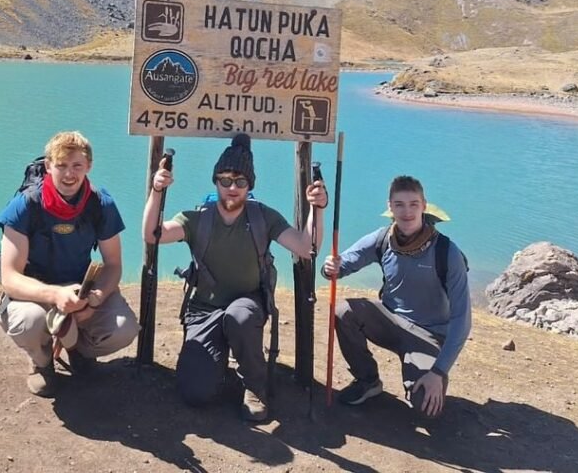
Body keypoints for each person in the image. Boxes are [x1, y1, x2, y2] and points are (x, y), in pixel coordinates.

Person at [143, 132, 327, 423]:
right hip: (204, 309)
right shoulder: (196, 218)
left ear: (249, 185)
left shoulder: (263, 217)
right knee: (195, 394)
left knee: (238, 318)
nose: (232, 188)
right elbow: (152, 235)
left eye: (240, 182)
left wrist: (317, 209)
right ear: (215, 181)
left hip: (247, 304)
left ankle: (255, 386)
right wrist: (156, 190)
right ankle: (218, 364)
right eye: (225, 180)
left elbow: (306, 247)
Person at [0, 131, 138, 397]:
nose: (69, 174)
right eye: (61, 165)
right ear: (48, 166)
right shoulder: (25, 205)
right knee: (29, 322)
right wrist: (54, 295)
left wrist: (95, 298)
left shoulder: (101, 204)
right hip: (34, 293)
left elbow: (113, 264)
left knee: (123, 329)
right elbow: (10, 277)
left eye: (77, 166)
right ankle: (42, 362)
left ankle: (79, 351)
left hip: (81, 291)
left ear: (89, 166)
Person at [323, 175, 470, 418]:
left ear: (424, 205)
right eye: (399, 204)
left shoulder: (447, 252)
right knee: (342, 310)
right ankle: (368, 381)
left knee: (425, 407)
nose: (407, 212)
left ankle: (426, 378)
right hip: (389, 321)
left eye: (413, 204)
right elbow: (344, 263)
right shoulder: (382, 239)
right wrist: (331, 267)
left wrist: (439, 372)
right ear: (390, 207)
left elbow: (462, 321)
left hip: (429, 335)